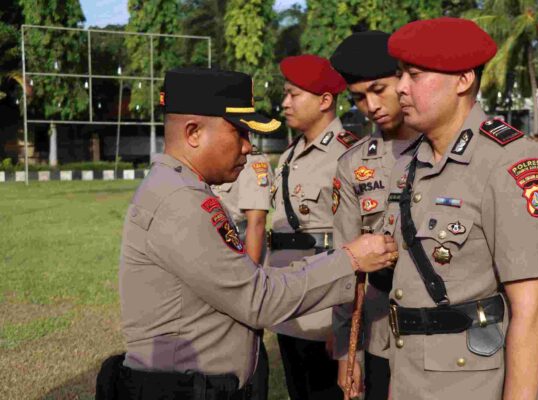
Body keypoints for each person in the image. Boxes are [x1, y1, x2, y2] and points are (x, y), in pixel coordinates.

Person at [102, 67, 398, 400]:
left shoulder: (180, 188)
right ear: (193, 132)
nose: (247, 147)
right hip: (183, 389)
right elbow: (257, 298)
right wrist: (349, 259)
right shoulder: (178, 200)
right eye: (239, 132)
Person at [385, 17, 538, 399]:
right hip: (410, 373)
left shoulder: (509, 162)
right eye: (400, 75)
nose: (400, 88)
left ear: (463, 80)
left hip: (472, 383)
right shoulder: (410, 162)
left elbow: (532, 310)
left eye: (414, 75)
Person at [329, 30, 420, 400]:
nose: (370, 106)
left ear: (404, 77)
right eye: (358, 98)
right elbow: (344, 264)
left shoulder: (445, 150)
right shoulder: (353, 163)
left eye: (378, 89)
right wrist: (344, 351)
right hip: (385, 333)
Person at [267, 54, 358, 400]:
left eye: (294, 94)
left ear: (324, 101)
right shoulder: (288, 156)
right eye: (285, 94)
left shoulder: (348, 155)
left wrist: (345, 324)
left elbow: (353, 245)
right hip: (288, 308)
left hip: (324, 314)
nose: (284, 102)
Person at [209, 144, 273, 400]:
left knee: (246, 342)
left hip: (238, 267)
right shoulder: (213, 156)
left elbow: (256, 224)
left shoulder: (252, 161)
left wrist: (249, 282)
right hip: (212, 268)